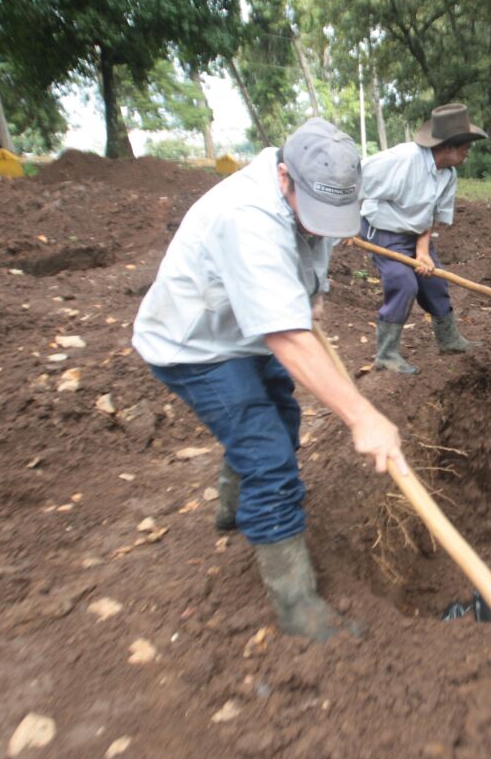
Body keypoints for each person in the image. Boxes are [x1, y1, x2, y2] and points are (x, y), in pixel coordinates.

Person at [132, 117, 407, 642]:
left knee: (281, 414)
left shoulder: (314, 199)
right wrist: (363, 416)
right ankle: (296, 604)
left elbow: (308, 258)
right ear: (285, 178)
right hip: (196, 344)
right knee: (268, 455)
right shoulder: (247, 217)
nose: (324, 224)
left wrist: (311, 294)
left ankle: (234, 510)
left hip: (246, 332)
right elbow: (286, 337)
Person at [360, 103, 489, 374]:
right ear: (447, 147)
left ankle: (450, 340)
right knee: (403, 282)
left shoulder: (448, 175)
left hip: (415, 233)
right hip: (383, 231)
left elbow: (430, 215)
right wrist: (344, 225)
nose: (469, 151)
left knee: (435, 282)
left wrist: (422, 251)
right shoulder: (401, 161)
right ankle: (386, 355)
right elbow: (353, 181)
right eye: (465, 145)